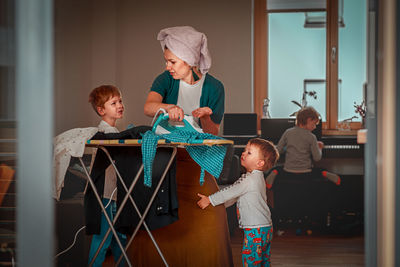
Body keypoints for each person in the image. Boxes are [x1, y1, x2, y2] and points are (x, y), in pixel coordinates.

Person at [197, 138, 279, 267]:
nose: (243, 153)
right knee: (263, 260)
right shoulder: (257, 177)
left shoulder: (248, 180)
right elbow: (237, 196)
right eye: (245, 150)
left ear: (260, 163)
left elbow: (230, 192)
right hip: (266, 226)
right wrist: (221, 205)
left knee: (251, 259)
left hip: (255, 228)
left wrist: (209, 200)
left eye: (249, 152)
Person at [267, 106, 340, 233]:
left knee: (279, 168)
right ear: (308, 120)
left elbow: (277, 151)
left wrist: (286, 148)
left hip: (288, 172)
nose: (315, 127)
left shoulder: (288, 132)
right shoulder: (311, 137)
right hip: (306, 174)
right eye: (314, 123)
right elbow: (317, 158)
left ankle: (274, 173)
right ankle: (324, 173)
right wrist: (320, 147)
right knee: (317, 169)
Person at [144, 26, 225, 135]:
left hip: (196, 150)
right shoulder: (166, 79)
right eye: (166, 61)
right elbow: (148, 108)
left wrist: (205, 118)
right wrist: (170, 108)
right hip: (168, 148)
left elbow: (213, 133)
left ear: (189, 61)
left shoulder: (215, 88)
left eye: (172, 62)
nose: (167, 67)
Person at [87, 85, 127, 266]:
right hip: (105, 194)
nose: (119, 105)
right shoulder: (104, 133)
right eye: (114, 103)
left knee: (120, 237)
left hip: (114, 193)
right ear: (101, 110)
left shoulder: (116, 132)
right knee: (103, 238)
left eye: (120, 101)